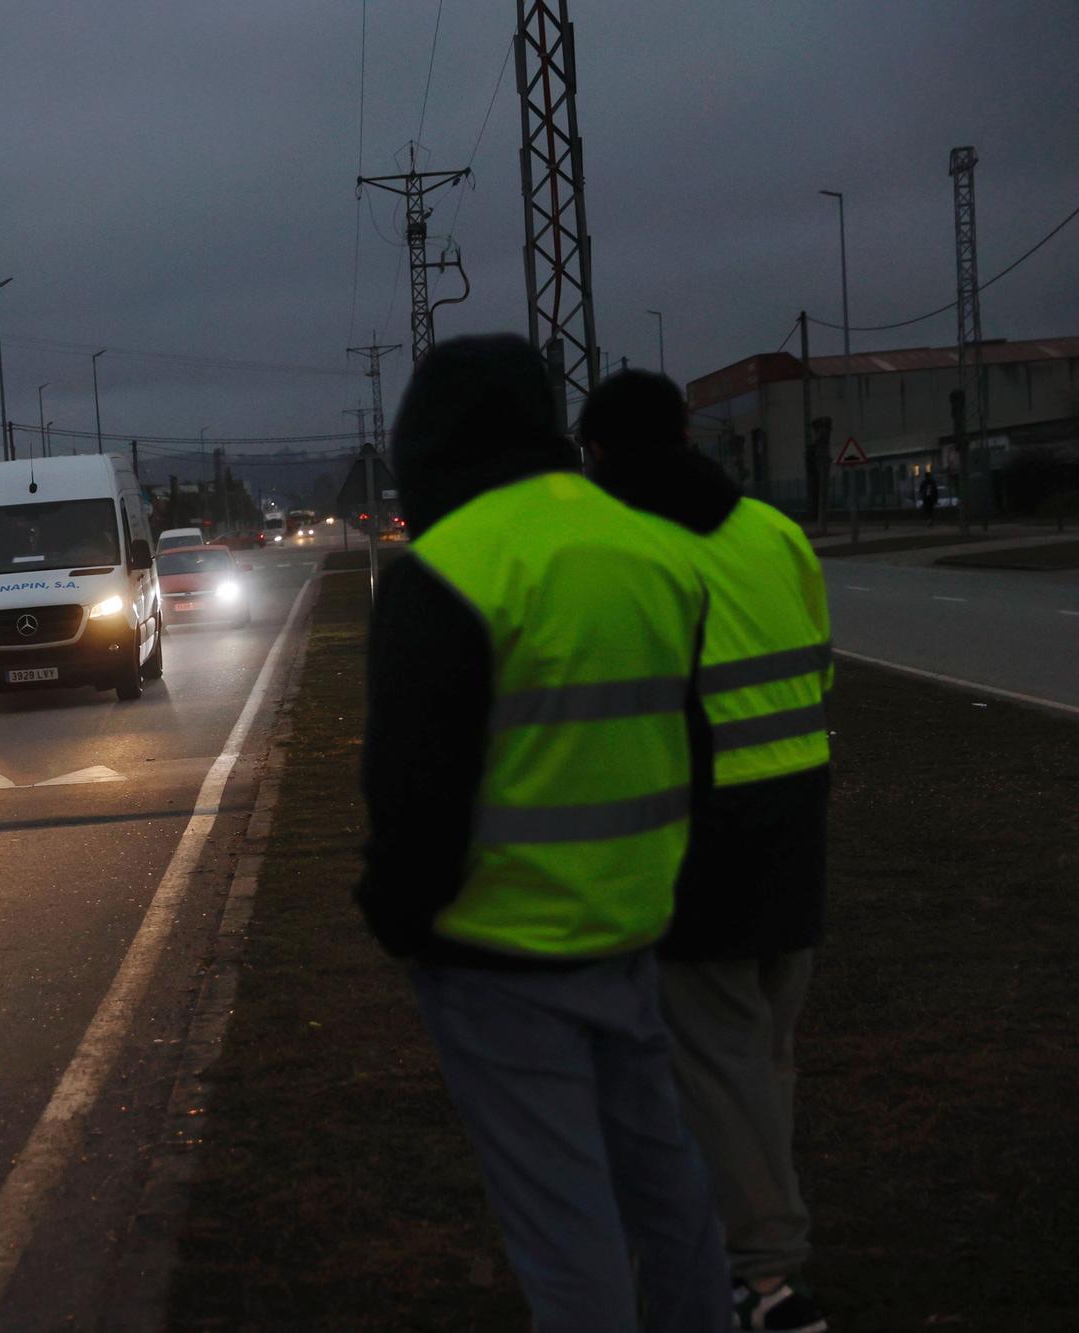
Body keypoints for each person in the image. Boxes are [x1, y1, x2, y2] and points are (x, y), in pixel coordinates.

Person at [356, 334, 730, 1331]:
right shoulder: (646, 548)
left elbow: (413, 792)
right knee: (665, 1190)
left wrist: (396, 917)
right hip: (629, 929)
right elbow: (687, 745)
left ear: (426, 440)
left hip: (496, 952)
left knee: (563, 1229)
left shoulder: (442, 572)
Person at [581, 371, 834, 1333]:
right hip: (797, 814)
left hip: (703, 827)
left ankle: (768, 1281)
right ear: (687, 433)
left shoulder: (624, 546)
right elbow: (819, 663)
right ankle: (748, 1248)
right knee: (766, 1050)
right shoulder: (772, 530)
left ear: (597, 454)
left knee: (719, 1061)